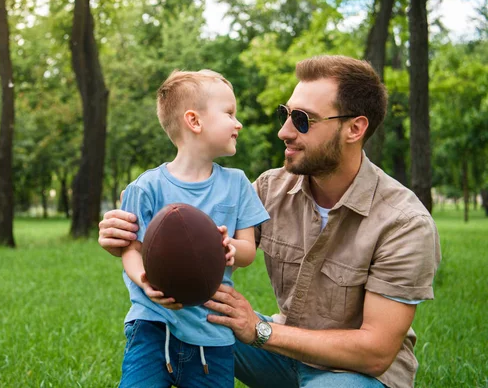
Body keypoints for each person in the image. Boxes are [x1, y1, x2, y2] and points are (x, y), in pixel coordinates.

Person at [99, 55, 441, 388]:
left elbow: (375, 352)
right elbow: (191, 232)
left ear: (355, 128)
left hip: (351, 372)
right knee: (192, 327)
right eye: (286, 114)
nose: (284, 131)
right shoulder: (269, 188)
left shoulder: (404, 223)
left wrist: (260, 330)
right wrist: (129, 238)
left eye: (303, 119)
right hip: (281, 353)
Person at [115, 69, 270, 388]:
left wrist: (230, 249)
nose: (237, 123)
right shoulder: (147, 187)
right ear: (194, 121)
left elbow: (248, 251)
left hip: (212, 328)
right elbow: (131, 250)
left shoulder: (238, 184)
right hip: (152, 324)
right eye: (229, 113)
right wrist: (145, 282)